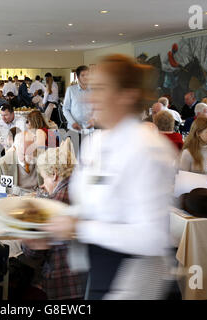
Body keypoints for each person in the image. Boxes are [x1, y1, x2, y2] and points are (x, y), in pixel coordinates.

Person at [44, 54, 177, 300]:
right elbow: (86, 208)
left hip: (135, 277)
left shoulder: (148, 149)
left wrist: (79, 229)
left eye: (101, 89)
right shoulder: (95, 143)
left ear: (127, 95)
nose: (91, 97)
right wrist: (46, 230)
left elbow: (151, 237)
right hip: (95, 271)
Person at [16, 141, 87, 300]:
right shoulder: (85, 192)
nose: (42, 185)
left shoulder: (53, 205)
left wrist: (23, 229)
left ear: (54, 174)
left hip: (62, 284)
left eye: (44, 178)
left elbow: (31, 252)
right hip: (87, 281)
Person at [62, 65, 94, 132]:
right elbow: (65, 109)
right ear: (78, 77)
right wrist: (72, 122)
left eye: (87, 75)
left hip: (89, 129)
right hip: (74, 129)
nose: (86, 77)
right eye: (83, 75)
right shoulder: (70, 90)